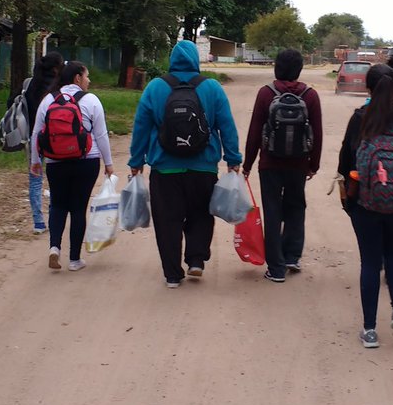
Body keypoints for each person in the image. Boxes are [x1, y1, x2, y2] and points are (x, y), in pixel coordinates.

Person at [128, 40, 242, 288]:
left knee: (167, 220)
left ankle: (172, 274)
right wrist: (233, 159)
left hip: (164, 168)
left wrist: (136, 161)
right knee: (200, 215)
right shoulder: (211, 88)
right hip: (203, 168)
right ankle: (196, 261)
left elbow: (141, 127)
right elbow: (227, 126)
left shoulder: (155, 87)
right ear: (195, 60)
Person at [337, 63, 393, 349]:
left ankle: (370, 331)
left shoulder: (360, 118)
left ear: (367, 87)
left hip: (366, 202)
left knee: (371, 262)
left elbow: (345, 161)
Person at [241, 48, 323, 282]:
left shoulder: (266, 94)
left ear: (277, 67)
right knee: (296, 208)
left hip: (270, 164)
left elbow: (254, 132)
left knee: (273, 211)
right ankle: (292, 257)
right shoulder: (310, 95)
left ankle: (276, 268)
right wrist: (313, 165)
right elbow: (316, 133)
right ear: (299, 69)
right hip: (299, 164)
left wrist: (247, 164)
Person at [29, 60, 114, 271]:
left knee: (57, 205)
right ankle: (75, 260)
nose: (89, 80)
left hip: (56, 161)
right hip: (87, 161)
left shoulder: (49, 99)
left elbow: (36, 132)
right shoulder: (91, 100)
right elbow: (101, 135)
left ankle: (54, 248)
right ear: (77, 78)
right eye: (86, 76)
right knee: (78, 207)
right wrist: (109, 163)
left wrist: (35, 161)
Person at [19, 52, 64, 234]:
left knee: (35, 180)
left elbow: (11, 103)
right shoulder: (57, 88)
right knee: (55, 179)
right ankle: (55, 216)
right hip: (54, 139)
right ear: (56, 68)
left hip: (32, 138)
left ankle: (38, 222)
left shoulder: (29, 84)